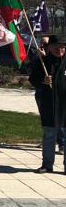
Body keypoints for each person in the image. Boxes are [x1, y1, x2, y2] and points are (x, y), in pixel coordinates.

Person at [29, 35, 66, 173]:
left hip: (65, 106)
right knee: (49, 135)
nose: (60, 49)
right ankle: (47, 164)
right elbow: (32, 79)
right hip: (49, 104)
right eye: (56, 47)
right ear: (49, 47)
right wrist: (42, 81)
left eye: (62, 47)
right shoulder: (43, 62)